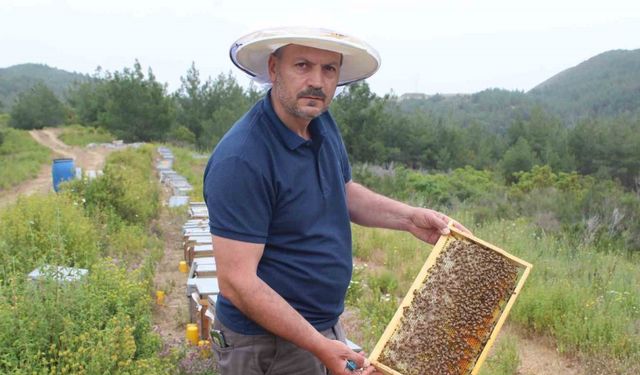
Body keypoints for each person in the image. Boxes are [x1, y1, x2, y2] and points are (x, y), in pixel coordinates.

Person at [203, 27, 469, 375]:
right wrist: (318, 345)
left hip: (321, 326)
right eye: (302, 65)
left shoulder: (320, 121)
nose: (317, 81)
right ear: (273, 69)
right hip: (265, 344)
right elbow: (238, 284)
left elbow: (341, 191)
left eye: (329, 69)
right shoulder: (242, 159)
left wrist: (409, 218)